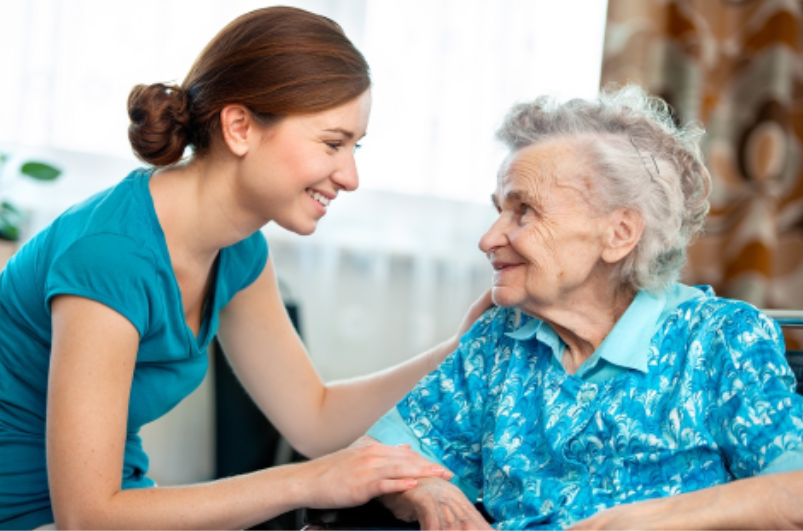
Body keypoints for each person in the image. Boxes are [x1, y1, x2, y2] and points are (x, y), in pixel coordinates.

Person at [0, 7, 492, 530]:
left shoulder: (238, 250)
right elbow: (88, 517)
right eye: (332, 143)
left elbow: (314, 417)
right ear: (239, 127)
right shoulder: (111, 255)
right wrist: (311, 479)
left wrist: (461, 350)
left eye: (355, 147)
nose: (349, 176)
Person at [359, 85, 803, 530]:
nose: (488, 239)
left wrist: (649, 520)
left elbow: (794, 492)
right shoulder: (500, 341)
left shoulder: (718, 339)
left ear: (619, 234)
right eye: (499, 210)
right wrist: (428, 490)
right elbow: (375, 457)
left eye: (524, 211)